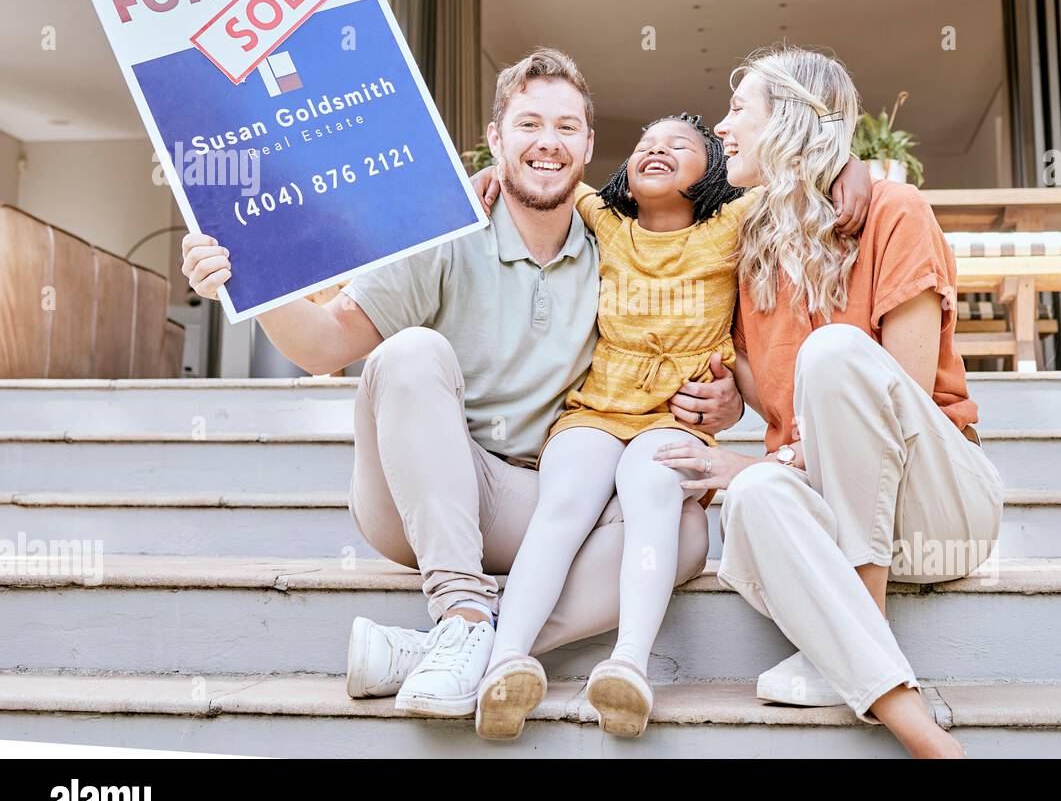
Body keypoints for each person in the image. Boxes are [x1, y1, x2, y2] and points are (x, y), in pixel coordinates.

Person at [180, 48, 745, 717]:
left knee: (681, 532)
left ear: (590, 145)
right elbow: (325, 344)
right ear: (495, 139)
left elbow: (685, 339)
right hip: (419, 494)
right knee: (411, 351)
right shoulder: (444, 229)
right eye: (529, 124)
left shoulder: (616, 248)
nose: (548, 143)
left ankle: (460, 646)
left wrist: (725, 397)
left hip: (537, 497)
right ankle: (462, 611)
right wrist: (247, 282)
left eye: (567, 127)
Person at [469, 113, 871, 740]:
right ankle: (504, 661)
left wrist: (850, 164)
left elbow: (798, 175)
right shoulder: (605, 221)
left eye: (678, 146)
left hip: (673, 415)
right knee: (565, 501)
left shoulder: (732, 224)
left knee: (655, 489)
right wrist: (495, 169)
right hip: (594, 411)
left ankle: (628, 662)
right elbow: (542, 178)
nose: (655, 151)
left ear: (712, 169)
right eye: (645, 145)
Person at [653, 46, 1004, 759]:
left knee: (835, 354)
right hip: (826, 509)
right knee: (752, 495)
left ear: (791, 120)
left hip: (934, 504)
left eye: (738, 110)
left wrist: (773, 456)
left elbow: (902, 403)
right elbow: (625, 209)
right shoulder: (745, 242)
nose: (721, 128)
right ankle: (924, 733)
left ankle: (855, 626)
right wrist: (730, 406)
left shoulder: (893, 211)